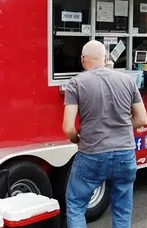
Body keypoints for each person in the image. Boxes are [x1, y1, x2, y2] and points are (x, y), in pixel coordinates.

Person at [62, 40, 147, 228]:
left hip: (92, 153)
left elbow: (68, 127)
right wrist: (122, 127)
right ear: (106, 58)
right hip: (125, 154)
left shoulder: (76, 83)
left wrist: (77, 138)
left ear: (83, 60)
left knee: (76, 204)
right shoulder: (127, 81)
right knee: (122, 209)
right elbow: (142, 119)